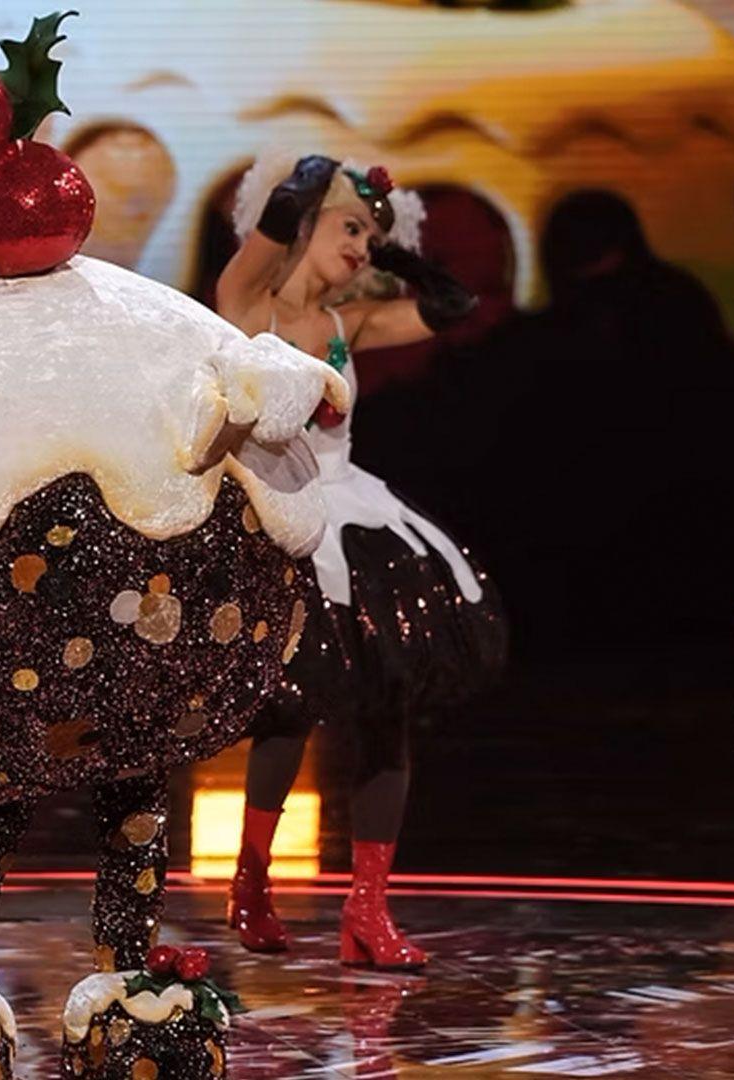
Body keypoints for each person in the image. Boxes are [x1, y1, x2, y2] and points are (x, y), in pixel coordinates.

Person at [215, 152, 508, 970]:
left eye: (373, 236)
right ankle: (252, 884)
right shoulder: (247, 305)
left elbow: (454, 305)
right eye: (349, 229)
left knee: (390, 706)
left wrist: (386, 248)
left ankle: (367, 909)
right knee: (287, 712)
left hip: (355, 515)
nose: (362, 245)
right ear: (302, 225)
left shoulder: (356, 322)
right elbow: (272, 229)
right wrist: (316, 184)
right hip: (278, 515)